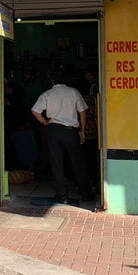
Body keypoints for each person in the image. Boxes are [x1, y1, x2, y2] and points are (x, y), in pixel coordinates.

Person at [31, 70, 95, 204]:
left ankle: (62, 196)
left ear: (52, 82)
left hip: (53, 130)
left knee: (56, 163)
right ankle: (87, 195)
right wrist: (82, 130)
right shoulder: (74, 92)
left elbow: (35, 110)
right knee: (78, 163)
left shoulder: (47, 94)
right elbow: (82, 112)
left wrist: (44, 122)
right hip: (70, 131)